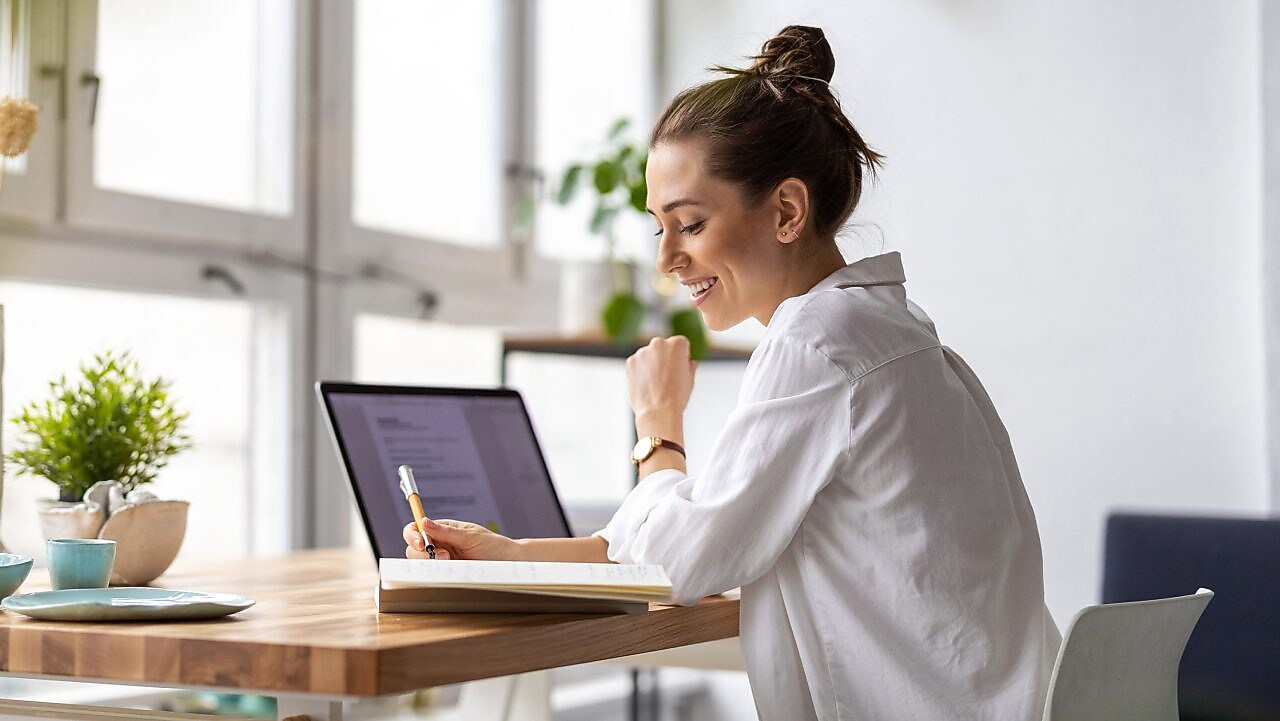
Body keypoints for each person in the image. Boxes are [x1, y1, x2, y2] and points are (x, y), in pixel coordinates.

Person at [404, 25, 1060, 721]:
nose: (666, 259)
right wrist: (508, 554)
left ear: (786, 211)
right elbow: (698, 530)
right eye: (658, 227)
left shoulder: (818, 345)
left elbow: (676, 563)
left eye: (689, 224)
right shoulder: (889, 330)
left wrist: (658, 426)